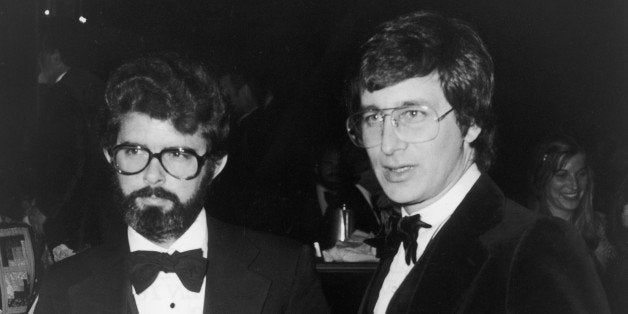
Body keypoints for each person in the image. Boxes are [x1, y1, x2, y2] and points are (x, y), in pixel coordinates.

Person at [346, 11, 610, 313]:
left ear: (470, 122)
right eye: (373, 117)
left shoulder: (537, 246)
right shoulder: (400, 239)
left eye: (412, 114)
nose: (387, 144)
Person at [31, 53, 328, 313]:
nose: (152, 175)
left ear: (214, 166)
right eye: (134, 152)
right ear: (111, 157)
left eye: (177, 154)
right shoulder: (63, 286)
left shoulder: (285, 273)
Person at [528, 133, 616, 275]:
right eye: (562, 176)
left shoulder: (602, 227)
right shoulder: (529, 234)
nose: (574, 185)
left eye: (581, 174)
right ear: (543, 179)